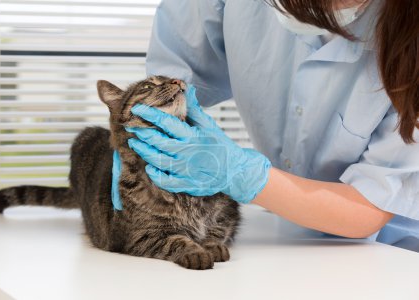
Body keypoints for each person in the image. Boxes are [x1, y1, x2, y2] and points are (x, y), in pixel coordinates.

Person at [125, 0, 419, 251]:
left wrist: (241, 173)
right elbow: (175, 65)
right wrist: (148, 136)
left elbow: (369, 206)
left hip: (390, 250)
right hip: (287, 238)